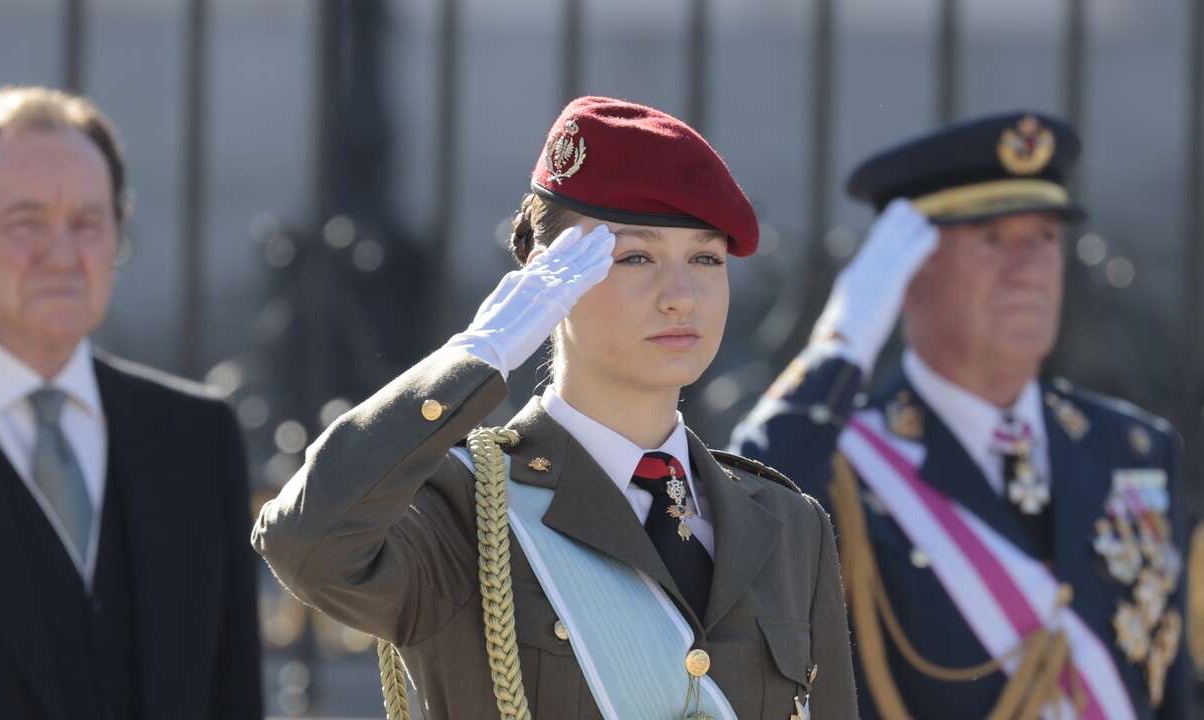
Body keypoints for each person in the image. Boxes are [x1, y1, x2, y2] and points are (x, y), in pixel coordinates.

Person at [254, 95, 858, 719]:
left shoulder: (787, 523)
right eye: (635, 258)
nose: (681, 297)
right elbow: (305, 543)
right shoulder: (466, 505)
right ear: (549, 278)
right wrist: (478, 354)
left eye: (705, 258)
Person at [731, 111, 1189, 719]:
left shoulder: (1134, 449)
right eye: (992, 239)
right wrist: (840, 347)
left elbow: (1169, 685)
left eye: (1045, 236)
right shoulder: (841, 462)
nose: (1027, 267)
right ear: (910, 275)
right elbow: (750, 507)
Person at [0, 86, 262, 719]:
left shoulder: (196, 437)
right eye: (26, 223)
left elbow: (232, 692)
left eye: (86, 222)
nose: (62, 256)